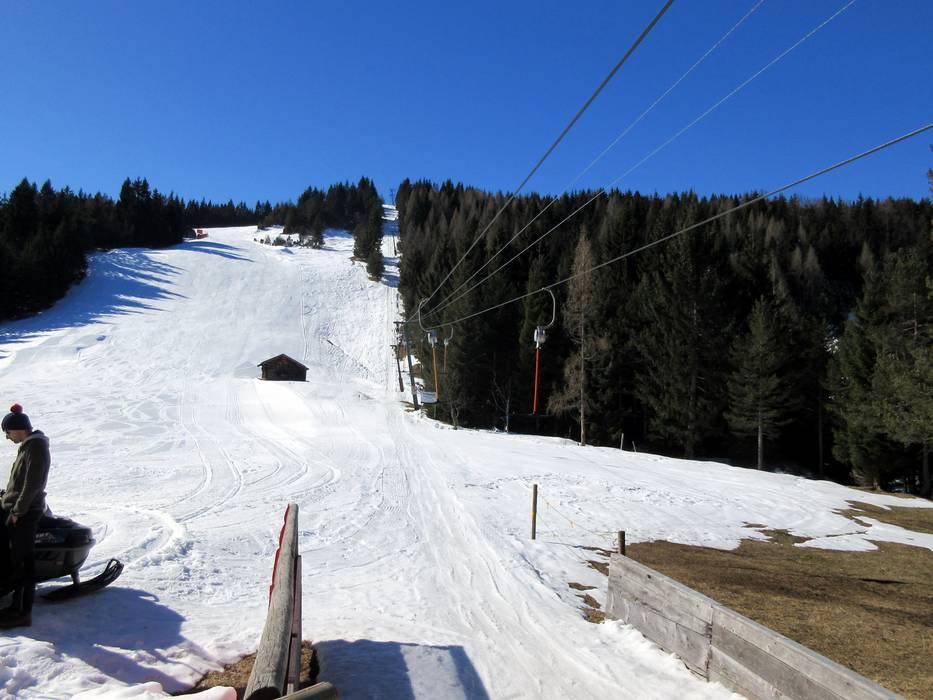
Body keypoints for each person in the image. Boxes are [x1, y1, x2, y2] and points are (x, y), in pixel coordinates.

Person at [0, 403, 50, 629]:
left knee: (24, 561)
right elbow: (21, 482)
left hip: (26, 513)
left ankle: (23, 612)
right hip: (20, 510)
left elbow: (33, 484)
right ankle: (15, 606)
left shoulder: (36, 447)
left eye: (7, 432)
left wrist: (18, 511)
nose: (7, 437)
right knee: (16, 559)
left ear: (18, 429)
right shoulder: (28, 446)